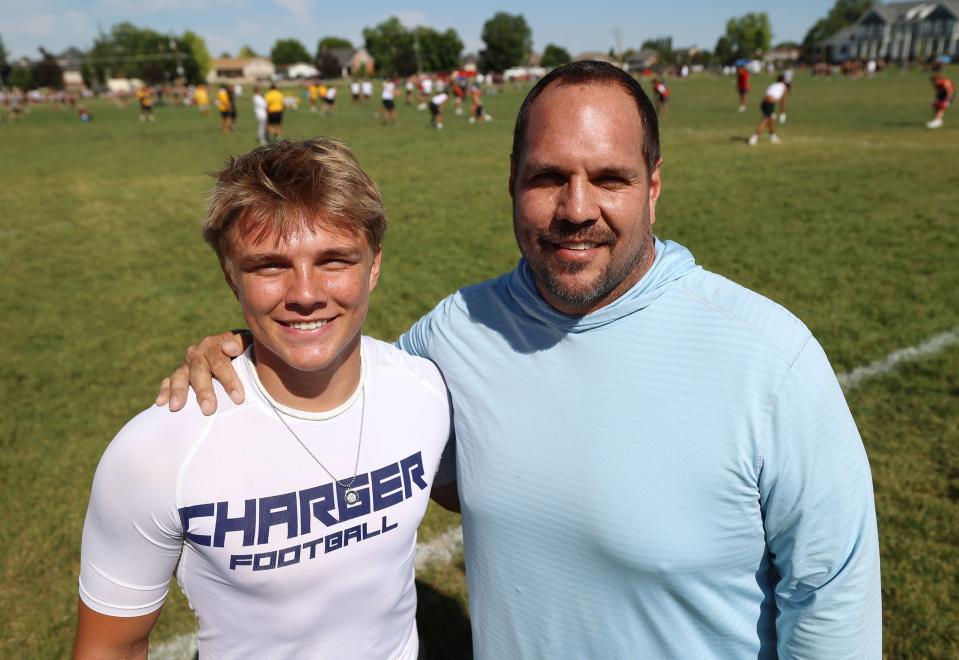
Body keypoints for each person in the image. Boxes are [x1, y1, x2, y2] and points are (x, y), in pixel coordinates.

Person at [158, 61, 882, 659]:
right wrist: (241, 353)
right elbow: (339, 402)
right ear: (511, 181)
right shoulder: (456, 332)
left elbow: (830, 596)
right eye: (546, 178)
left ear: (653, 186)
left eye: (609, 178)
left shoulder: (767, 355)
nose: (575, 208)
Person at [74, 139, 454, 659]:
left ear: (374, 265)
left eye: (334, 259)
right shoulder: (156, 450)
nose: (305, 292)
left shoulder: (427, 393)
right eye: (270, 266)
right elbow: (109, 648)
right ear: (231, 276)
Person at [749, 75, 788, 146]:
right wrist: (782, 113)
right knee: (765, 120)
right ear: (783, 81)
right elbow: (782, 101)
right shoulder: (783, 87)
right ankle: (754, 138)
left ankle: (773, 137)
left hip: (764, 103)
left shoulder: (773, 85)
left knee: (771, 120)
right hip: (769, 104)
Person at [927, 64, 955, 129]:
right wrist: (937, 97)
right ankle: (938, 120)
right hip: (942, 93)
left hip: (949, 94)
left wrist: (947, 100)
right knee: (935, 104)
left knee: (942, 106)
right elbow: (938, 90)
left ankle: (938, 121)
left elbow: (950, 91)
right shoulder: (934, 81)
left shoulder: (944, 81)